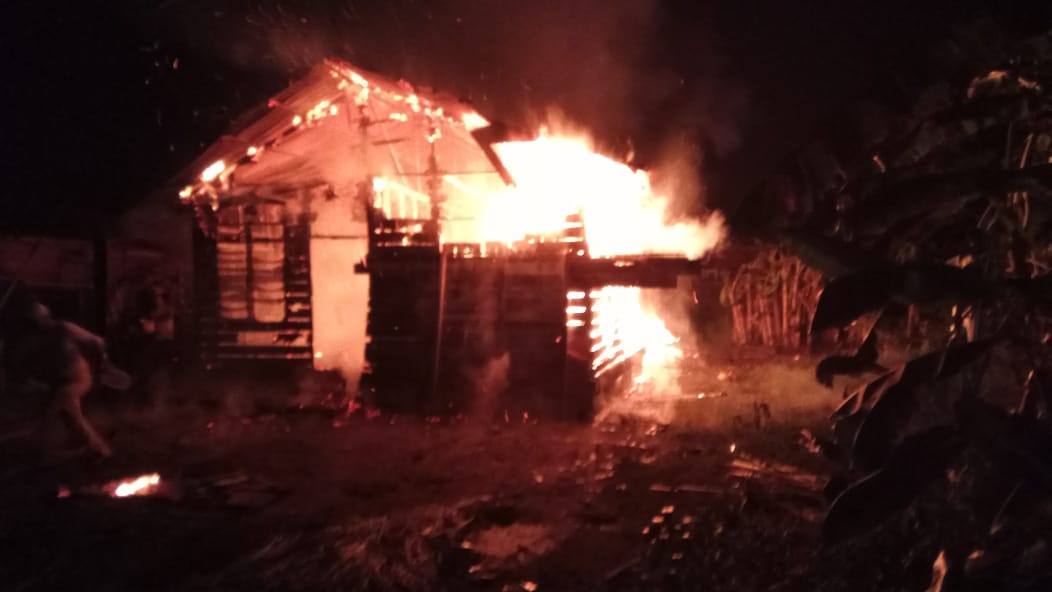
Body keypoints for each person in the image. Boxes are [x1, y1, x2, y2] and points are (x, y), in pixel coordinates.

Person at [2, 291, 128, 458]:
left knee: (56, 411)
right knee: (70, 414)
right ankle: (94, 448)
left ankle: (97, 449)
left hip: (79, 379)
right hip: (63, 382)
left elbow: (97, 341)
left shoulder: (63, 328)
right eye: (36, 318)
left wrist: (105, 364)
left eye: (40, 317)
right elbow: (24, 363)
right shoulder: (35, 340)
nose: (40, 321)